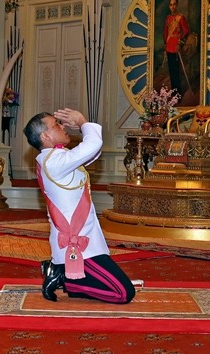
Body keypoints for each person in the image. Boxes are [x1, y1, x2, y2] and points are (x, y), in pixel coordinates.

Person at [23, 108, 135, 304]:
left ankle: (59, 271)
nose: (63, 126)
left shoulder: (57, 157)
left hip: (88, 238)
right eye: (56, 124)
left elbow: (91, 153)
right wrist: (83, 122)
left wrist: (84, 129)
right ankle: (64, 278)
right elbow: (94, 144)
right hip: (77, 246)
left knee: (119, 288)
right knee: (123, 293)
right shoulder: (54, 162)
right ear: (46, 135)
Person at [163, 0, 189, 96]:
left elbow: (186, 32)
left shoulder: (181, 18)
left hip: (176, 47)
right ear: (169, 6)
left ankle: (178, 95)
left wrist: (180, 44)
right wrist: (166, 46)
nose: (172, 7)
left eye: (174, 4)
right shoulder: (168, 18)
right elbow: (165, 33)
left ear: (177, 5)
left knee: (177, 72)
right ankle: (173, 93)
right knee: (171, 71)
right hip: (169, 47)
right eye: (171, 5)